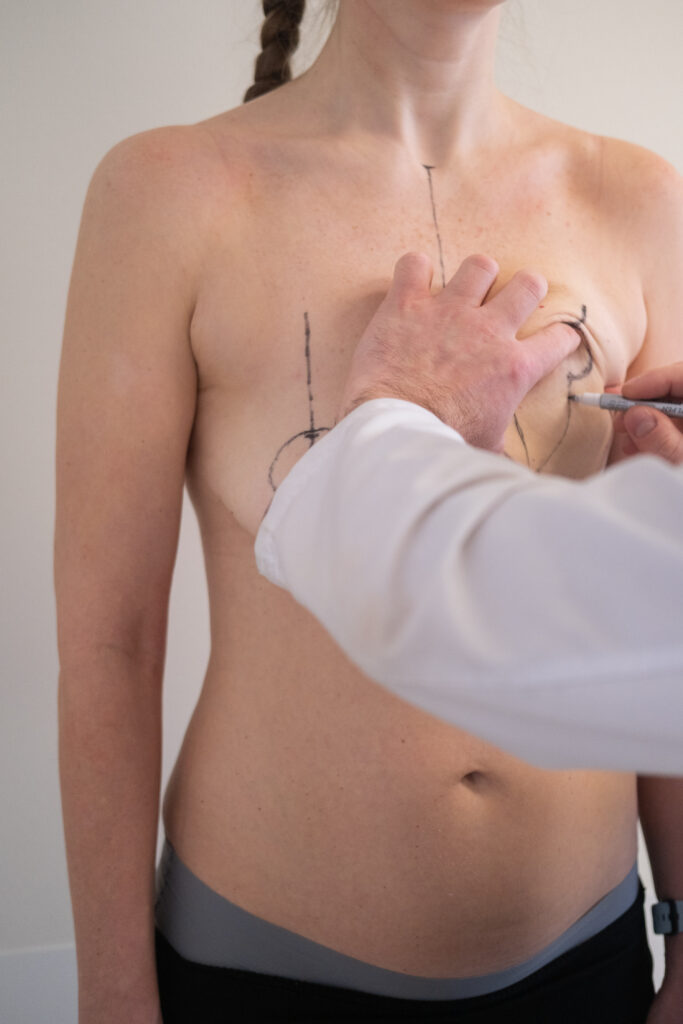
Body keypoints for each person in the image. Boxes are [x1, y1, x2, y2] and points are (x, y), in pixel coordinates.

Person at [54, 2, 683, 1022]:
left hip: (591, 954)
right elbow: (110, 644)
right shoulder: (166, 194)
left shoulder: (639, 196)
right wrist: (113, 993)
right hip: (264, 967)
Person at [255, 251, 683, 774]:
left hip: (582, 852)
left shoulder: (650, 201)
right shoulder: (177, 194)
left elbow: (432, 587)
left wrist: (403, 405)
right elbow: (124, 641)